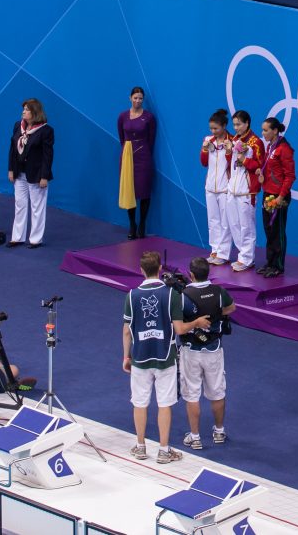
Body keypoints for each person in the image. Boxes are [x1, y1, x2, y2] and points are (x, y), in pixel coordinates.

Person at [122, 250, 184, 463]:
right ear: (160, 269)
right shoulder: (171, 294)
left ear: (141, 270)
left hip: (140, 357)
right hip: (165, 356)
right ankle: (164, 451)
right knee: (164, 403)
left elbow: (126, 330)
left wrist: (126, 357)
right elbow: (179, 328)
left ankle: (140, 447)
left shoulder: (132, 295)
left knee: (139, 402)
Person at [176, 256, 236, 450]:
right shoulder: (219, 292)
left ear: (191, 274)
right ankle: (219, 431)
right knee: (217, 391)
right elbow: (231, 308)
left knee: (192, 394)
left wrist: (195, 322)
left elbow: (180, 329)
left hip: (190, 352)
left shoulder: (184, 295)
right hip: (214, 349)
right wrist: (216, 315)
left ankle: (195, 437)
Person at [7, 98, 54, 248]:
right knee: (20, 205)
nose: (23, 112)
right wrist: (10, 169)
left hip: (36, 175)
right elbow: (12, 150)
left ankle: (35, 239)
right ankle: (17, 237)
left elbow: (48, 155)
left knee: (37, 207)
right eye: (24, 109)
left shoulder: (46, 130)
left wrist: (44, 176)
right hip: (19, 173)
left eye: (26, 109)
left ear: (34, 112)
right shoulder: (17, 126)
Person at [255, 116, 295, 277]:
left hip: (279, 197)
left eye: (265, 130)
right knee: (269, 230)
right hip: (268, 194)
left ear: (275, 131)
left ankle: (278, 266)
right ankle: (270, 263)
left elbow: (290, 176)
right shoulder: (271, 146)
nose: (262, 133)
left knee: (278, 231)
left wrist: (281, 196)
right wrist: (261, 171)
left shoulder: (284, 149)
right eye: (262, 129)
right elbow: (271, 168)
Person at [118, 86, 158, 240]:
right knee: (130, 190)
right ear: (130, 98)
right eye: (135, 98)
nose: (138, 100)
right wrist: (127, 152)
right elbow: (122, 138)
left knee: (144, 191)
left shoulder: (149, 117)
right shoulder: (122, 116)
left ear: (143, 99)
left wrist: (144, 153)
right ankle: (132, 224)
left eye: (140, 98)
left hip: (143, 156)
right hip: (127, 155)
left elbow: (151, 139)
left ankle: (142, 224)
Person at [225, 110, 263, 272]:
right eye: (234, 124)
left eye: (239, 124)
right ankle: (242, 255)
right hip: (232, 188)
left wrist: (245, 160)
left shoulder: (256, 142)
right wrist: (229, 151)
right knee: (234, 224)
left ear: (247, 123)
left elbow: (261, 166)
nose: (236, 127)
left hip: (247, 190)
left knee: (246, 225)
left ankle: (247, 258)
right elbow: (231, 162)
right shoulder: (234, 139)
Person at [200, 110, 234, 266]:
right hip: (210, 187)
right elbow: (204, 162)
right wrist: (205, 149)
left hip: (226, 188)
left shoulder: (233, 141)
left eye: (216, 128)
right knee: (212, 221)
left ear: (224, 126)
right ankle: (214, 250)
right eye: (211, 128)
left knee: (225, 222)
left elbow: (233, 165)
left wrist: (228, 150)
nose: (213, 131)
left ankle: (224, 253)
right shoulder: (208, 140)